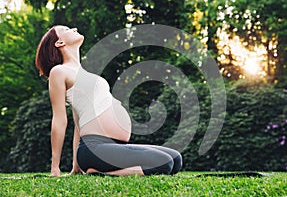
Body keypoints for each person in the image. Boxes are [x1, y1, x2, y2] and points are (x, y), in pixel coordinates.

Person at [35, 25, 182, 177]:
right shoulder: (59, 71)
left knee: (176, 158)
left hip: (114, 147)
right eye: (66, 30)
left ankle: (96, 169)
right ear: (59, 43)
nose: (74, 28)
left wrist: (76, 167)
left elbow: (78, 123)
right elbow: (59, 119)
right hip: (95, 148)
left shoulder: (85, 74)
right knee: (165, 163)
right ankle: (102, 173)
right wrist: (55, 168)